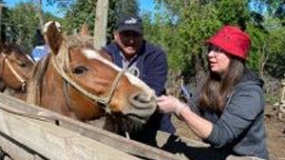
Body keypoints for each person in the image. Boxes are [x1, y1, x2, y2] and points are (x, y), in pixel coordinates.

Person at [157, 25, 269, 159]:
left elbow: (220, 136)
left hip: (247, 157)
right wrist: (168, 105)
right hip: (219, 154)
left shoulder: (250, 92)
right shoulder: (212, 81)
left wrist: (179, 108)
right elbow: (191, 111)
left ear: (235, 56)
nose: (210, 54)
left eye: (219, 50)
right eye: (211, 49)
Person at [103, 14, 175, 146]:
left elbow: (152, 93)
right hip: (113, 124)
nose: (131, 40)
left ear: (142, 35)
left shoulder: (156, 56)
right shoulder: (105, 54)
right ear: (115, 35)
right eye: (126, 34)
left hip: (152, 124)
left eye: (135, 35)